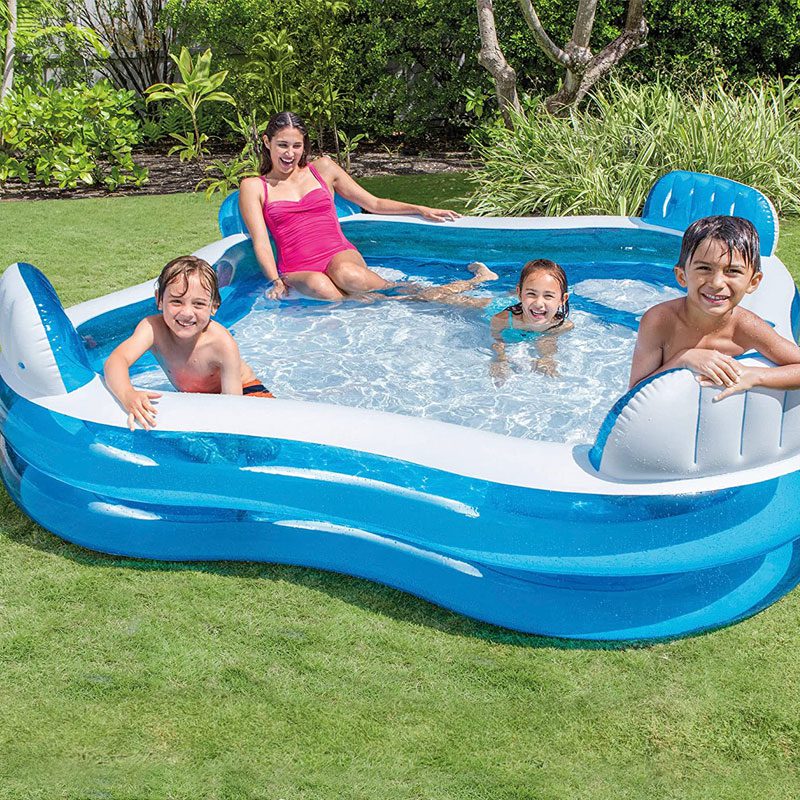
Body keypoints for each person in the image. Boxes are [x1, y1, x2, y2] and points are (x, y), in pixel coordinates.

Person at [239, 111, 477, 302]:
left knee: (348, 275)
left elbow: (372, 203)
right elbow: (261, 242)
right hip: (298, 268)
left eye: (297, 146)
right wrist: (275, 281)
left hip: (339, 255)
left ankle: (459, 295)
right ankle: (403, 299)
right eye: (282, 145)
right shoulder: (254, 187)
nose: (290, 153)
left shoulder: (323, 168)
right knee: (320, 286)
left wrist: (418, 208)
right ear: (267, 142)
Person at [628, 215, 800, 399]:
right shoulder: (659, 321)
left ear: (753, 282)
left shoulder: (747, 327)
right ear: (681, 276)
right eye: (704, 268)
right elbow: (634, 394)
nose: (717, 283)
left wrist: (755, 376)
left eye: (732, 271)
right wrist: (684, 359)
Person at [104, 255, 273, 431]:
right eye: (176, 301)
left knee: (261, 445)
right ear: (159, 300)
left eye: (198, 304)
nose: (186, 313)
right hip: (200, 398)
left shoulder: (221, 343)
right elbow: (116, 360)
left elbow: (233, 406)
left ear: (214, 306)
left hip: (247, 392)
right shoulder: (152, 329)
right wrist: (127, 394)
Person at [484, 259, 573, 381]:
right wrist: (500, 359)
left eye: (548, 296)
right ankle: (482, 277)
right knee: (452, 298)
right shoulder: (502, 320)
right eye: (532, 294)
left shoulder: (561, 325)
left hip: (524, 305)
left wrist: (547, 358)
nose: (539, 303)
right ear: (519, 293)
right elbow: (497, 340)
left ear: (563, 299)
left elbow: (547, 340)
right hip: (495, 305)